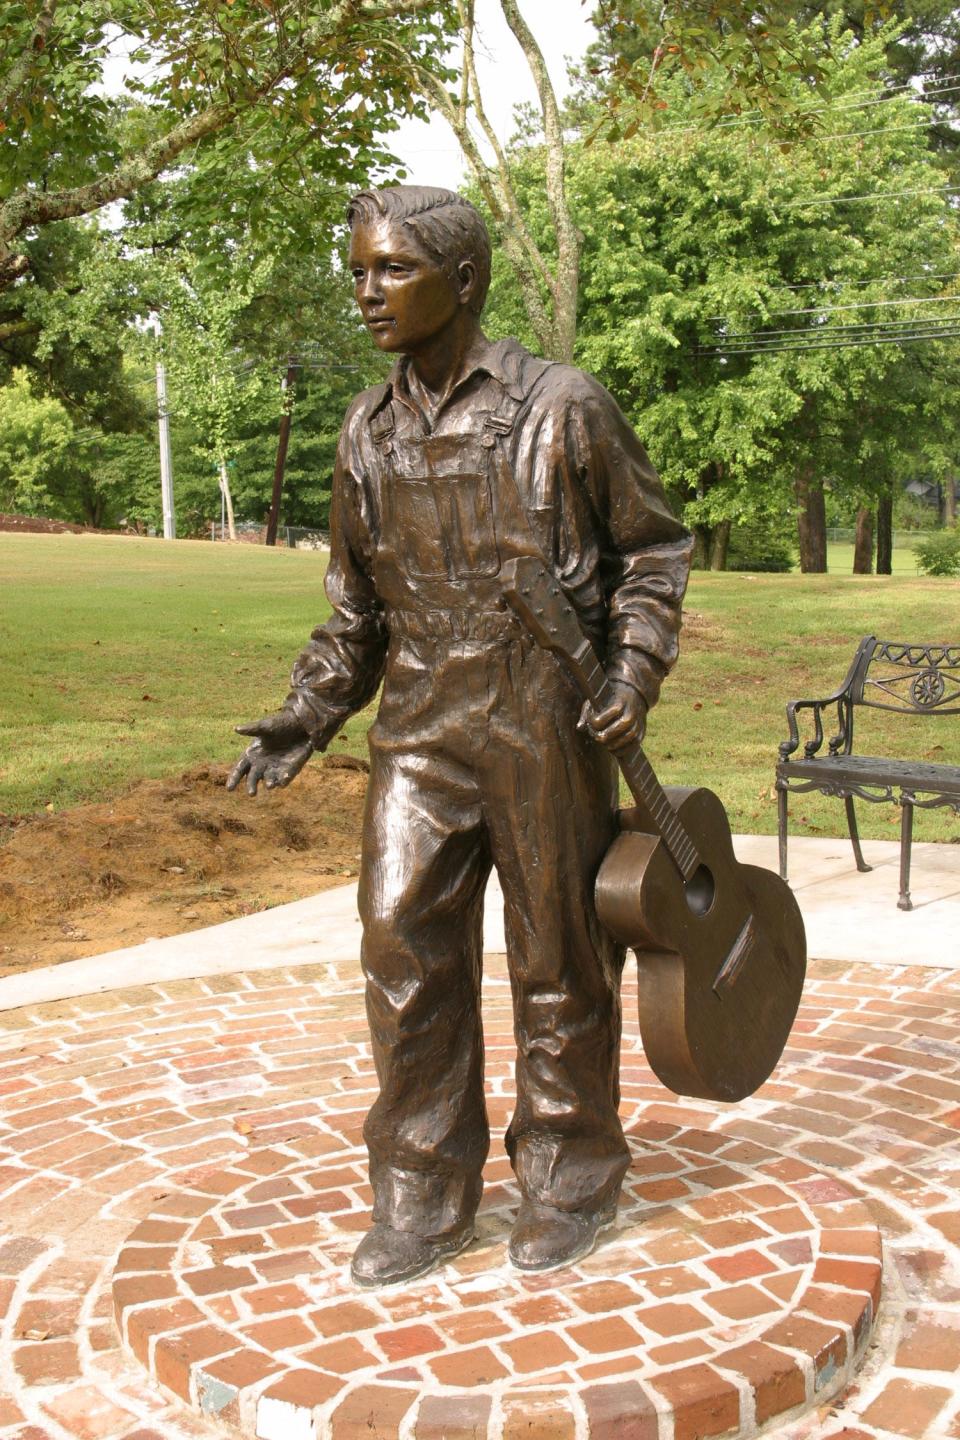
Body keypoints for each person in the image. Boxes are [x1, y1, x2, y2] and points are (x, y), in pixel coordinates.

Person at [228, 185, 693, 1288]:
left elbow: (654, 555)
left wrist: (632, 669)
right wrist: (309, 712)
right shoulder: (365, 429)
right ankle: (422, 1191)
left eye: (391, 269)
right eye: (358, 271)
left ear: (466, 279)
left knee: (558, 953)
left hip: (544, 718)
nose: (367, 291)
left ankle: (570, 1173)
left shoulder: (564, 407)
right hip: (421, 728)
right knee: (401, 948)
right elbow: (356, 609)